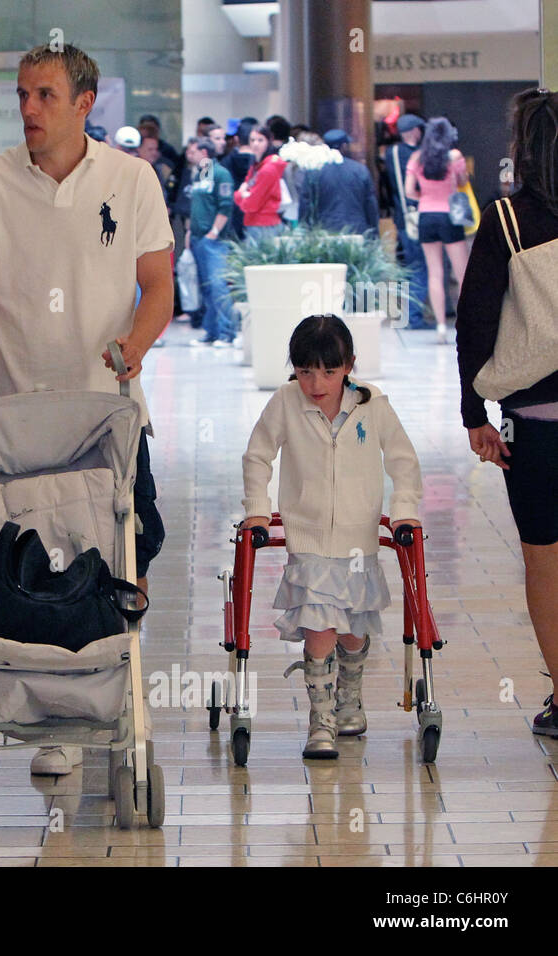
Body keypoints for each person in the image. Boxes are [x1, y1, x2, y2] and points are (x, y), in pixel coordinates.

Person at [0, 43, 173, 777]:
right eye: (21, 95)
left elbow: (158, 287)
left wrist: (134, 345)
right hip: (22, 417)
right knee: (36, 561)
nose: (28, 109)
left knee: (127, 543)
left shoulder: (132, 180)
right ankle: (52, 719)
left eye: (43, 95)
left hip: (110, 410)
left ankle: (112, 687)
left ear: (83, 104)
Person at [242, 315, 422, 759]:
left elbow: (403, 461)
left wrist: (404, 512)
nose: (316, 382)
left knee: (354, 628)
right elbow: (257, 456)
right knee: (319, 623)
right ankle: (320, 719)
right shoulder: (285, 403)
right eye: (305, 372)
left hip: (359, 539)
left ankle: (349, 699)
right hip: (309, 538)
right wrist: (258, 511)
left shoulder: (373, 406)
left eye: (328, 371)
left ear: (349, 366)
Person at [456, 88, 558, 738]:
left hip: (535, 424)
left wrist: (474, 415)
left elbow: (476, 321)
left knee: (545, 562)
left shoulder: (506, 220)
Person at [406, 117, 470, 345]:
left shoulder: (417, 158)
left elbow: (408, 191)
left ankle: (441, 326)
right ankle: (465, 324)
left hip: (425, 216)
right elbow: (462, 182)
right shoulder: (454, 157)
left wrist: (425, 197)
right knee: (462, 274)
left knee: (435, 273)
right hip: (449, 215)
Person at [184, 137, 236, 347]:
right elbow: (197, 205)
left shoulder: (222, 174)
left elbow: (225, 206)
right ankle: (211, 331)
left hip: (214, 241)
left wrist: (214, 231)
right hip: (197, 238)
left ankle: (227, 332)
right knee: (206, 287)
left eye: (193, 151)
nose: (190, 154)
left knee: (217, 285)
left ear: (204, 152)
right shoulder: (200, 175)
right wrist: (190, 232)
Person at [385, 114, 431, 330]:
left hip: (402, 218)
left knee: (408, 266)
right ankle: (413, 317)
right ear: (415, 131)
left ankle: (407, 314)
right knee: (419, 267)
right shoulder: (418, 156)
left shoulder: (391, 153)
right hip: (414, 218)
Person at [298, 129, 379, 235]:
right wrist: (374, 231)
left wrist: (305, 231)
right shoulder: (359, 170)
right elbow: (370, 204)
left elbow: (306, 205)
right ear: (344, 146)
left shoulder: (314, 171)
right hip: (357, 229)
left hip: (324, 230)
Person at [233, 124, 287, 242]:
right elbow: (245, 196)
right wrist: (242, 194)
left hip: (264, 226)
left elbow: (251, 204)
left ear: (268, 141)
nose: (255, 144)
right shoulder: (256, 165)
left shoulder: (268, 168)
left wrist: (241, 194)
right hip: (256, 223)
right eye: (252, 140)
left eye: (260, 140)